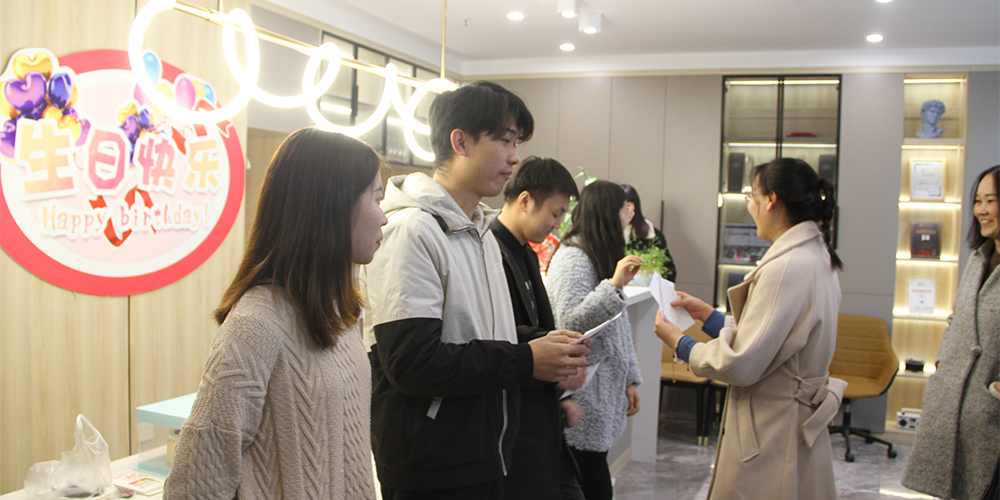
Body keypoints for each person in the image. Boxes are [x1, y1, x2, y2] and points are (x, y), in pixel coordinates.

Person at [359, 81, 590, 500]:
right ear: (460, 142)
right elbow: (411, 361)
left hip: (486, 453)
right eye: (504, 140)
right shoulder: (412, 231)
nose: (514, 156)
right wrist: (526, 359)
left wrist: (544, 345)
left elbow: (477, 333)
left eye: (516, 143)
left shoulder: (481, 233)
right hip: (431, 465)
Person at [164, 128, 386, 499]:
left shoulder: (341, 313)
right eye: (376, 198)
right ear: (332, 206)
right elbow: (196, 482)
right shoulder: (256, 325)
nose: (384, 217)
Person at [654, 158, 843, 500]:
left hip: (775, 428)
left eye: (752, 196)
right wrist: (709, 317)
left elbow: (740, 362)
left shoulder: (787, 267)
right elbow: (772, 337)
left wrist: (680, 343)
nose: (750, 205)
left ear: (771, 200)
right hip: (792, 422)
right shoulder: (816, 254)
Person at [902, 165, 1000, 500]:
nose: (981, 210)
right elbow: (957, 319)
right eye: (978, 201)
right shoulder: (979, 257)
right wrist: (942, 364)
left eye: (991, 200)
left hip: (988, 412)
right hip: (952, 403)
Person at [492, 156, 586, 500]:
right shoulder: (489, 250)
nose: (558, 225)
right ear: (525, 200)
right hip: (514, 422)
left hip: (539, 416)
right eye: (555, 213)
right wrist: (552, 349)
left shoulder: (526, 252)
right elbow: (494, 334)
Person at [546, 180, 644, 500]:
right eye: (624, 210)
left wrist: (630, 378)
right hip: (580, 395)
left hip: (597, 396)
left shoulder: (597, 252)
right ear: (608, 213)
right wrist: (612, 286)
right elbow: (570, 322)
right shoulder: (574, 257)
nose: (627, 218)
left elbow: (619, 327)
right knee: (593, 487)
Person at [621, 183, 678, 282]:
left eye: (628, 206)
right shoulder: (607, 233)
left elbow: (669, 269)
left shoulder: (651, 233)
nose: (626, 211)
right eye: (621, 207)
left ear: (636, 206)